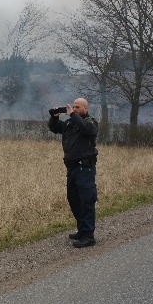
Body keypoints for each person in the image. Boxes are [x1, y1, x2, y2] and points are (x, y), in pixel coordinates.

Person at [48, 97, 99, 248]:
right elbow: (55, 128)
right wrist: (54, 117)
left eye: (78, 107)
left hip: (85, 168)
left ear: (85, 108)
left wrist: (72, 115)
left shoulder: (91, 122)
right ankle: (82, 230)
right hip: (72, 168)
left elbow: (86, 129)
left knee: (86, 201)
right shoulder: (71, 123)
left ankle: (89, 236)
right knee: (73, 199)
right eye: (74, 107)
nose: (75, 109)